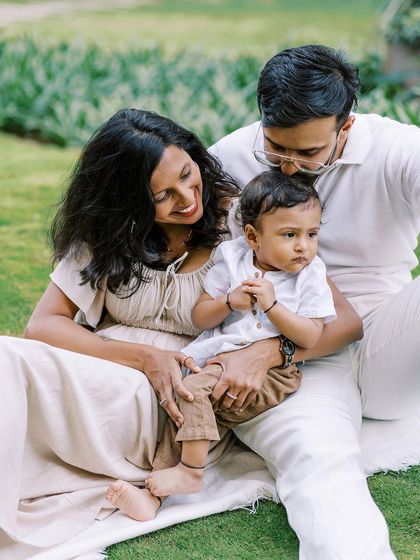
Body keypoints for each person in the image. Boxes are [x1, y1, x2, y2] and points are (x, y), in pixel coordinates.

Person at [0, 107, 362, 558]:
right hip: (104, 372)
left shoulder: (243, 221)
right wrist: (145, 357)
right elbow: (43, 324)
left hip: (175, 396)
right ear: (128, 202)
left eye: (189, 175)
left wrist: (270, 350)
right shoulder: (107, 233)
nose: (188, 198)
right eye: (163, 195)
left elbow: (344, 322)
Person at [209, 44, 420, 560]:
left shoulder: (398, 150)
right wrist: (267, 348)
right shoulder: (230, 159)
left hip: (385, 341)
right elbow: (204, 277)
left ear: (344, 129)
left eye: (308, 154)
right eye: (276, 148)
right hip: (281, 350)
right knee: (318, 461)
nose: (288, 166)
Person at [106, 170, 337, 521]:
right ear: (253, 236)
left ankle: (191, 472)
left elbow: (310, 336)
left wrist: (274, 307)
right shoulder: (231, 260)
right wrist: (229, 302)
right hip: (217, 362)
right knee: (181, 401)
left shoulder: (310, 274)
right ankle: (152, 497)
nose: (303, 246)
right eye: (290, 235)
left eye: (312, 234)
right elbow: (201, 317)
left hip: (273, 374)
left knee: (190, 394)